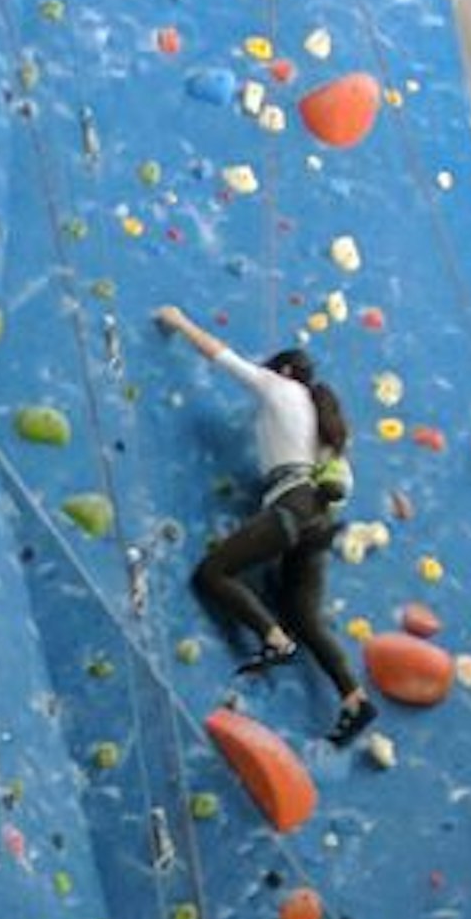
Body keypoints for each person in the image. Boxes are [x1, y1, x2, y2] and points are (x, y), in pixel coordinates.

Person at [152, 303, 377, 751]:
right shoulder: (320, 416)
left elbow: (223, 357)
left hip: (291, 506)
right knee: (306, 617)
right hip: (320, 519)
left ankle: (273, 638)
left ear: (286, 369)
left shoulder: (282, 387)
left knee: (212, 573)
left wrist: (179, 321)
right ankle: (354, 697)